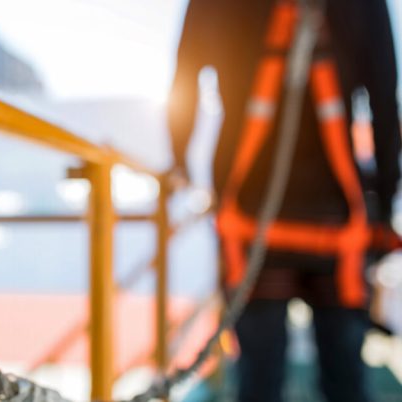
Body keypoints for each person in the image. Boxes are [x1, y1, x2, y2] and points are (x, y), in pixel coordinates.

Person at [167, 0, 401, 401]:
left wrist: (181, 160)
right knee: (345, 376)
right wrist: (383, 200)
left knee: (258, 375)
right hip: (337, 218)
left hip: (250, 214)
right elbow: (382, 94)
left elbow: (185, 78)